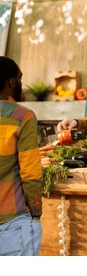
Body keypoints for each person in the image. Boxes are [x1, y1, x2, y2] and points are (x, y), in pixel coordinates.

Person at [0, 56, 43, 256]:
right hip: (11, 221)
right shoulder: (22, 116)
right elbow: (31, 172)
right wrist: (36, 211)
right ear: (11, 82)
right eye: (20, 78)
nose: (21, 83)